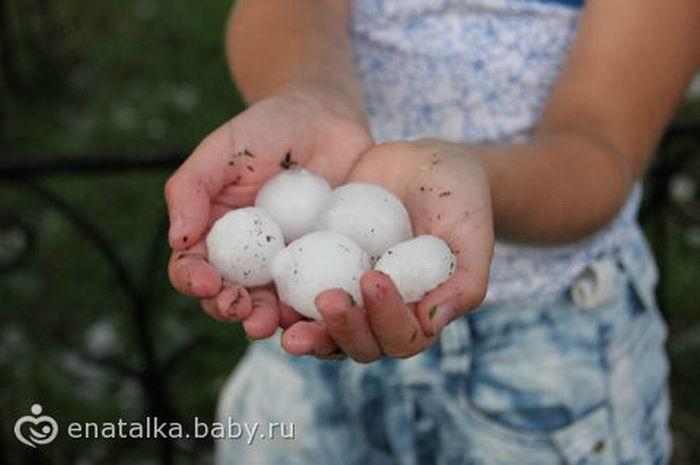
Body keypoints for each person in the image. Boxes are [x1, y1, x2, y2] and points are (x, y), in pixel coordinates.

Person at [164, 1, 700, 463]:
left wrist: (476, 181)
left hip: (553, 348)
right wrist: (312, 97)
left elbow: (598, 151)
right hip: (303, 330)